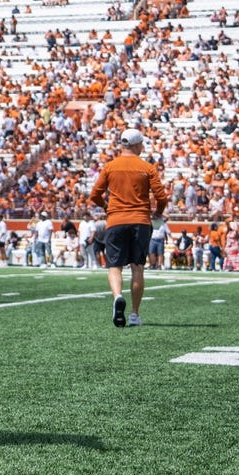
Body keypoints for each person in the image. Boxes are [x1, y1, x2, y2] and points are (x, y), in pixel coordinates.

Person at [90, 127, 168, 328]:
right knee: (137, 267)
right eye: (141, 144)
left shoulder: (110, 166)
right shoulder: (147, 167)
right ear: (136, 145)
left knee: (114, 266)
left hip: (116, 220)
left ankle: (117, 297)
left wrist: (108, 207)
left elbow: (94, 195)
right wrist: (158, 212)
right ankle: (134, 314)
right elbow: (161, 197)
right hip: (141, 221)